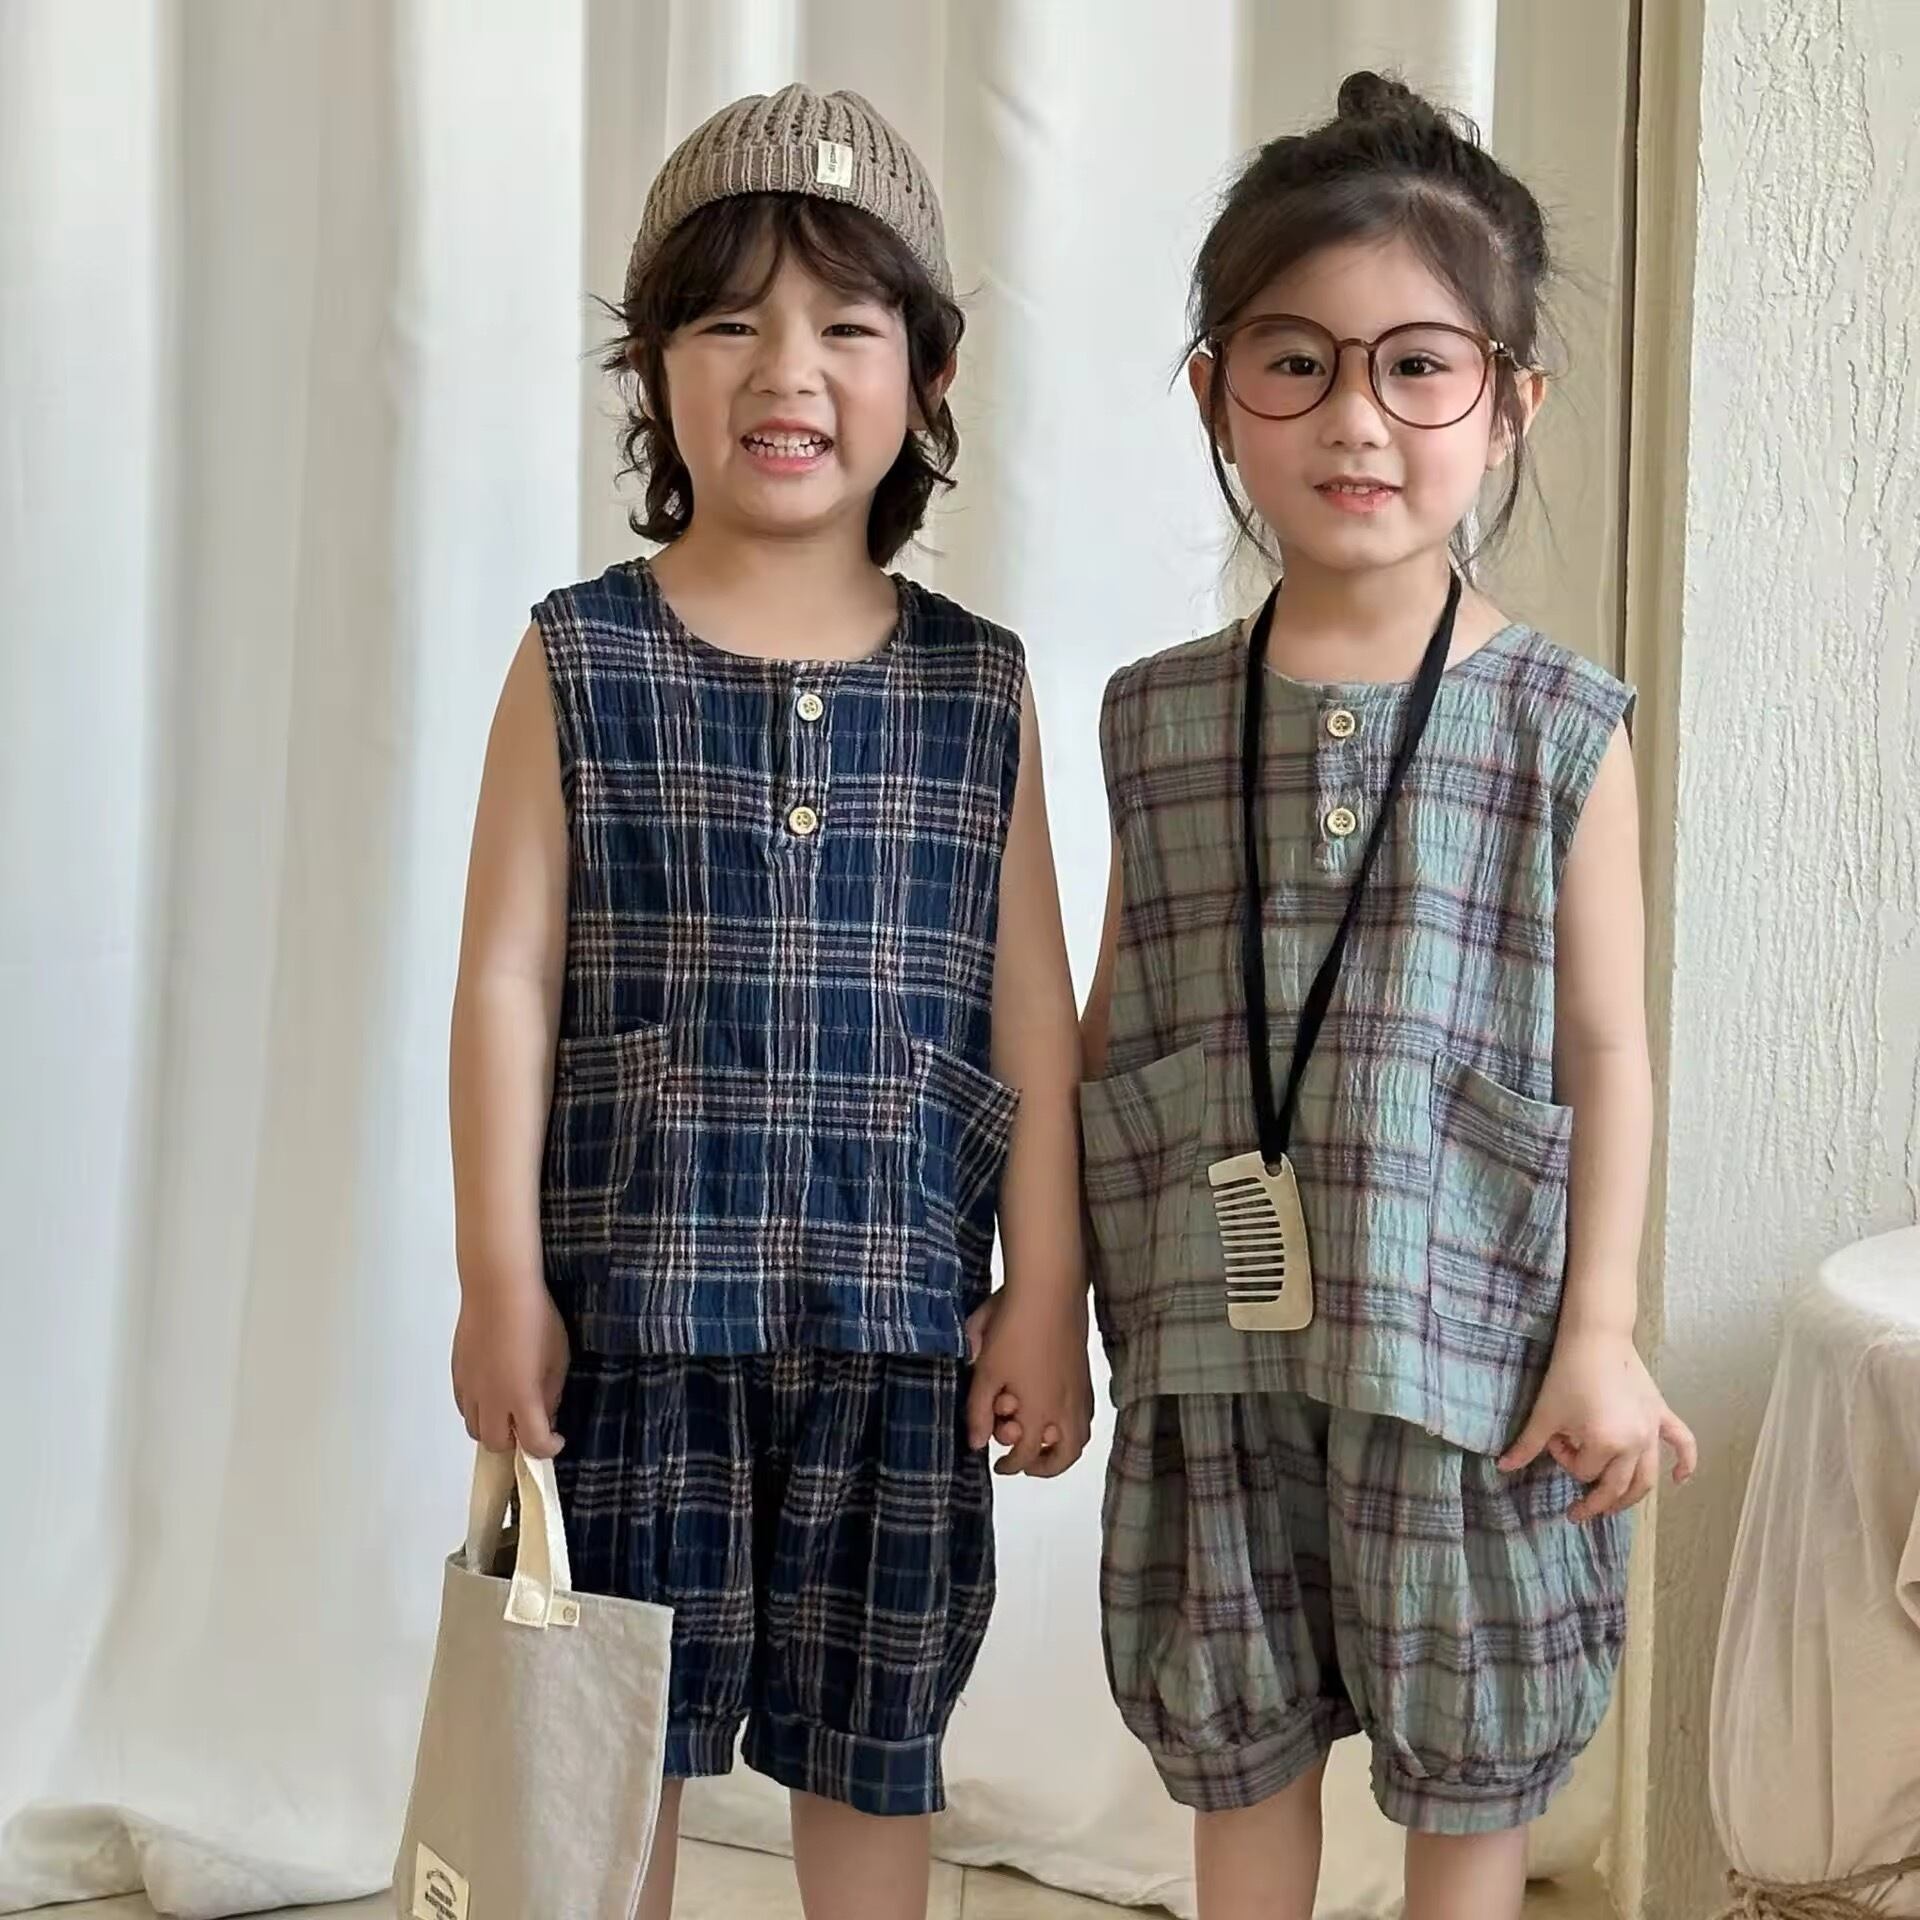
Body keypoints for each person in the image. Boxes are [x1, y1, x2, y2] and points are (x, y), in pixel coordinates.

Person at [446, 85, 1091, 1920]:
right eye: (728, 319)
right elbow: (504, 981)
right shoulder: (580, 655)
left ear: (929, 379)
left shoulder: (980, 690)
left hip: (898, 1331)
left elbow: (1033, 1016)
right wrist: (499, 1279)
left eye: (845, 326)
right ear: (652, 368)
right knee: (606, 1744)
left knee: (877, 1744)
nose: (784, 368)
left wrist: (1046, 1288)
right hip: (635, 1324)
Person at [1077, 72, 1699, 1920]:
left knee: (1471, 1741)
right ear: (1217, 392)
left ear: (1509, 404)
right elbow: (1118, 1019)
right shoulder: (1156, 714)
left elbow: (1608, 1045)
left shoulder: (1560, 724)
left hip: (1472, 1345)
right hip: (1213, 1337)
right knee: (1237, 1721)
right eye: (1299, 364)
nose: (1358, 417)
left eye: (1419, 367)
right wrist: (1058, 1283)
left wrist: (1600, 1330)